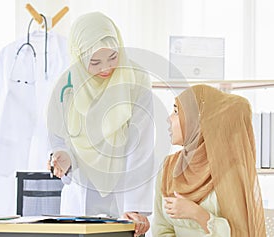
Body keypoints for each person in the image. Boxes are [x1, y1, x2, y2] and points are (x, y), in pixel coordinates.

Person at [46, 12, 155, 236]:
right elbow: (59, 137)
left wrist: (134, 206)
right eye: (95, 62)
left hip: (123, 193)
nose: (106, 68)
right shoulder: (65, 86)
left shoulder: (136, 79)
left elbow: (141, 145)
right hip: (81, 191)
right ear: (79, 57)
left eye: (113, 57)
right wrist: (64, 157)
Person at [152, 84, 266, 236]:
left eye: (176, 112)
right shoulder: (168, 167)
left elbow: (242, 233)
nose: (169, 119)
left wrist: (198, 214)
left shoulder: (231, 172)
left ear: (197, 121)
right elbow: (161, 228)